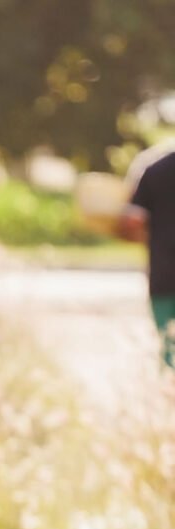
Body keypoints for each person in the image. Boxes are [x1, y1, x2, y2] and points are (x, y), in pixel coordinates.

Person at [119, 144, 175, 368]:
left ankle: (169, 395)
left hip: (162, 271)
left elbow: (133, 221)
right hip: (162, 272)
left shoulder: (154, 170)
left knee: (168, 345)